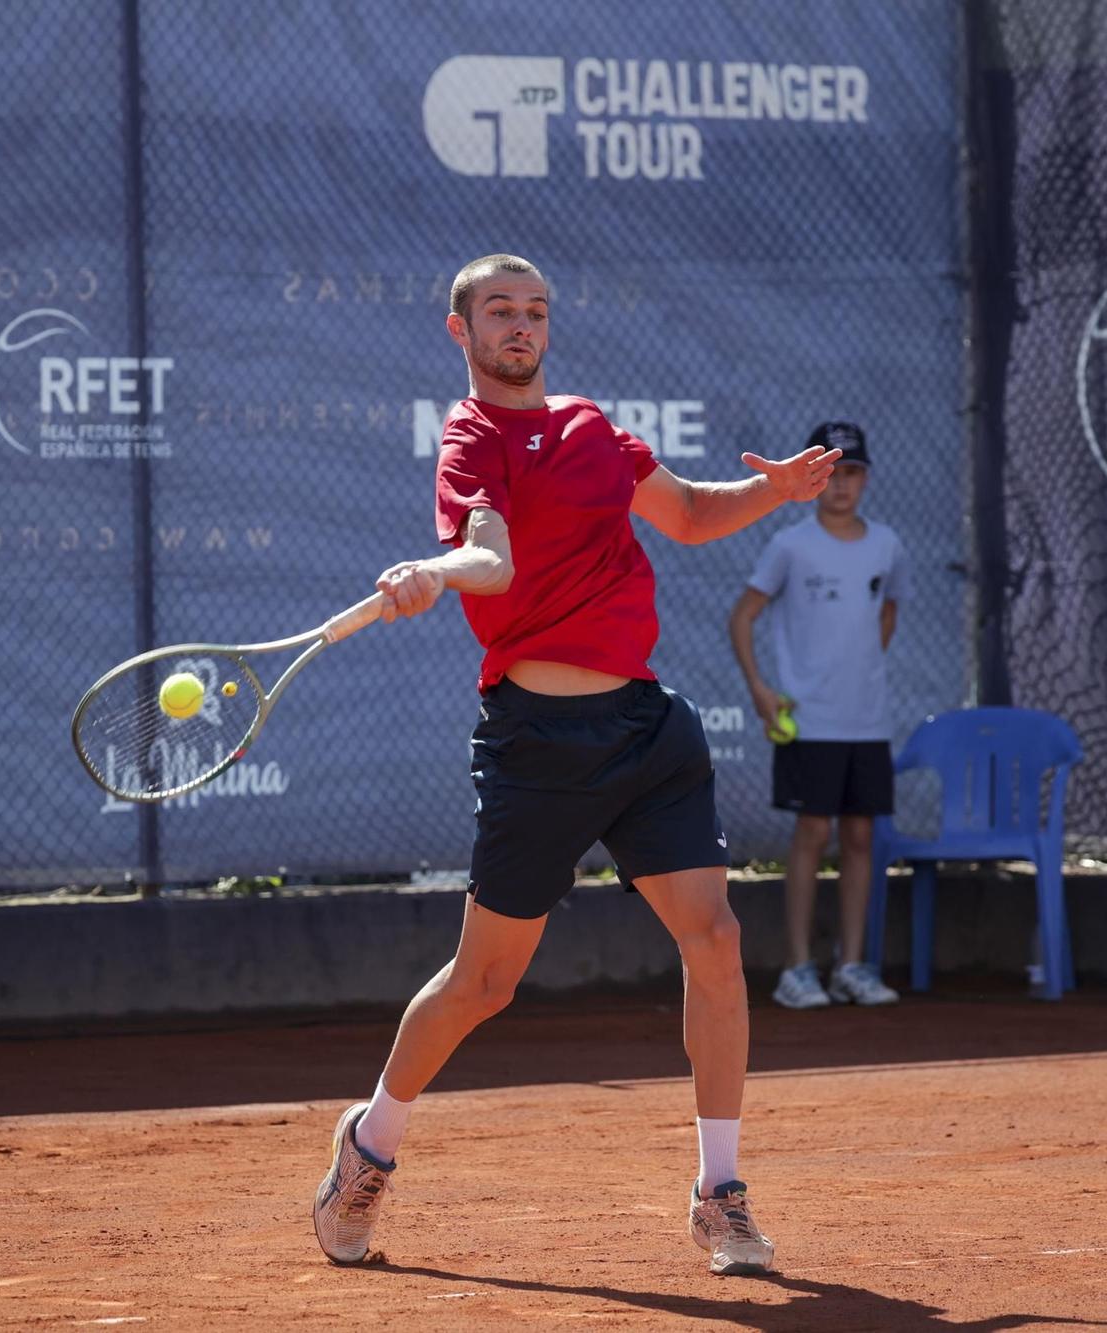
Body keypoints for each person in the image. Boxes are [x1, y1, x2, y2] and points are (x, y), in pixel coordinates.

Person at [311, 254, 839, 1277]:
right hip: (537, 749)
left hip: (644, 730)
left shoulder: (594, 427)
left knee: (717, 941)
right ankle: (368, 1146)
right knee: (482, 983)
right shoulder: (470, 438)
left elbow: (685, 514)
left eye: (535, 310)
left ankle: (717, 1191)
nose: (521, 324)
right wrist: (434, 570)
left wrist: (766, 493)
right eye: (499, 311)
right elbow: (491, 557)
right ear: (458, 331)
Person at [728, 422, 906, 1011]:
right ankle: (797, 969)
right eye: (832, 473)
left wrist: (855, 676)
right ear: (812, 478)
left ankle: (852, 965)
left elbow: (886, 615)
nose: (842, 485)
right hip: (810, 724)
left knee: (859, 836)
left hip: (867, 722)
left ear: (867, 479)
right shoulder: (790, 545)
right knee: (811, 835)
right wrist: (761, 689)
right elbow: (743, 617)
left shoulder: (887, 545)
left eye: (852, 472)